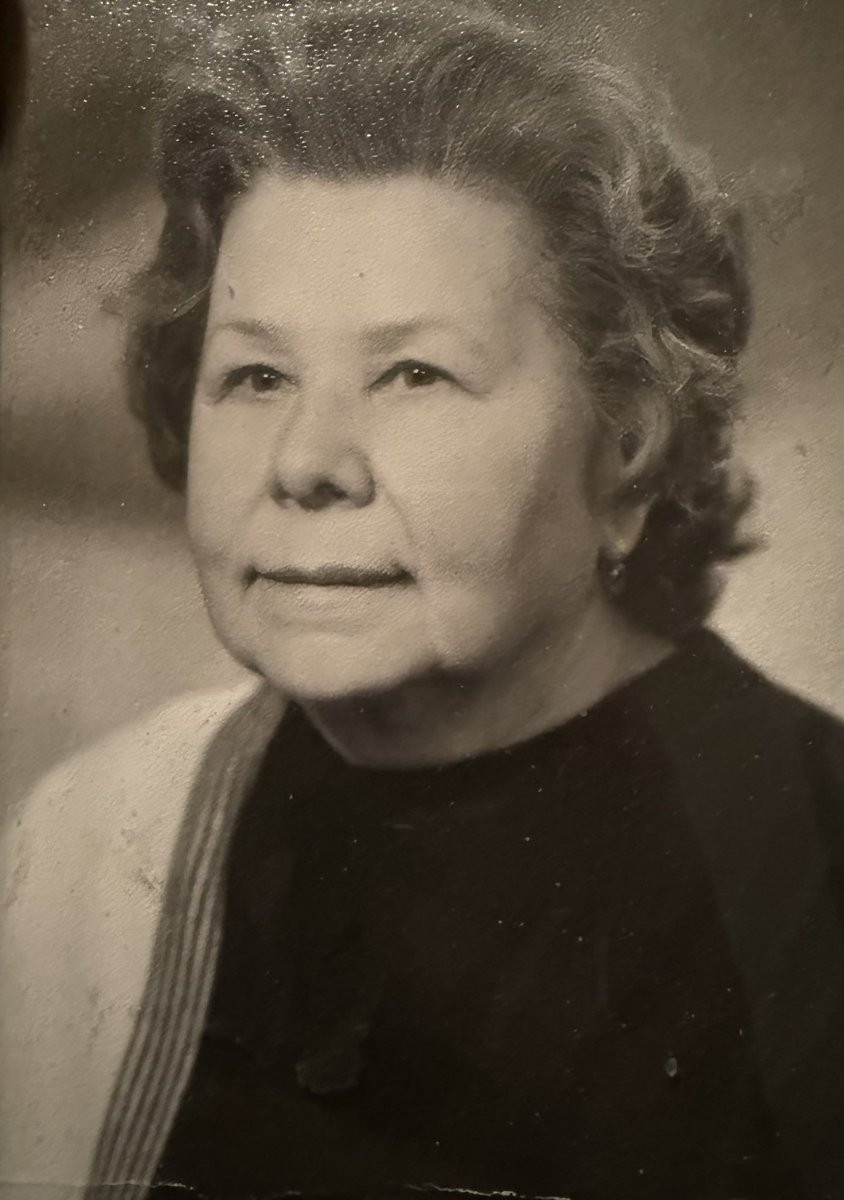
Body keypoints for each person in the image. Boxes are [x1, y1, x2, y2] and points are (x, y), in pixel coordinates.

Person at [2, 2, 842, 1198]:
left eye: (413, 373)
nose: (307, 463)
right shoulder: (92, 839)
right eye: (256, 374)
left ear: (628, 446)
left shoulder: (812, 875)